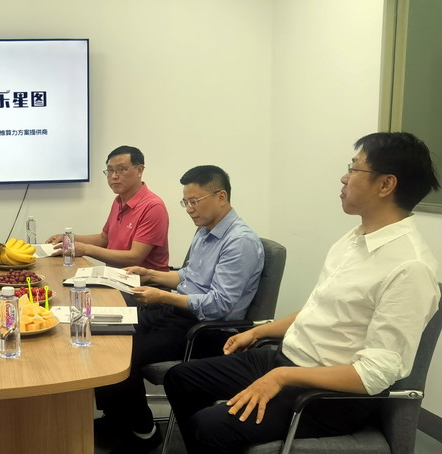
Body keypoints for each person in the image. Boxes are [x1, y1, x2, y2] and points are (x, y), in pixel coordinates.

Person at [164, 132, 441, 453]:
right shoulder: (354, 240)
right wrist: (258, 332)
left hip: (331, 398)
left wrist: (283, 377)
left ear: (385, 184)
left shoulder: (410, 267)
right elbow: (318, 309)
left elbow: (374, 374)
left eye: (353, 169)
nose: (344, 178)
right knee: (180, 378)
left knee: (209, 427)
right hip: (287, 361)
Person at [94, 165, 264, 453]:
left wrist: (162, 296)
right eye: (185, 202)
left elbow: (219, 305)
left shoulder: (240, 242)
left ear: (221, 197)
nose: (189, 209)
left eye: (194, 201)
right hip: (180, 314)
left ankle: (144, 432)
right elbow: (187, 277)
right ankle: (117, 419)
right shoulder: (205, 230)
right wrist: (150, 275)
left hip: (207, 331)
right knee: (103, 334)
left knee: (119, 355)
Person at [45, 146, 170, 271]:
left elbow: (134, 257)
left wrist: (85, 249)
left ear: (139, 170)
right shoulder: (118, 201)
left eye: (121, 170)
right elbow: (104, 239)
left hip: (143, 281)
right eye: (110, 171)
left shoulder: (153, 207)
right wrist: (68, 238)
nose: (114, 176)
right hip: (115, 276)